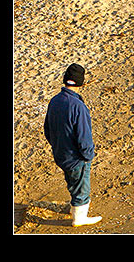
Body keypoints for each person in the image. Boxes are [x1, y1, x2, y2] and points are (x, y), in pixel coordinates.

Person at [43, 63, 102, 227]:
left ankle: (74, 207)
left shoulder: (54, 101)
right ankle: (79, 218)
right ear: (81, 83)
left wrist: (56, 145)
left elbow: (47, 129)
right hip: (76, 157)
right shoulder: (78, 107)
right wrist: (88, 156)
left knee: (72, 181)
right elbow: (84, 137)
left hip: (60, 154)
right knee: (81, 188)